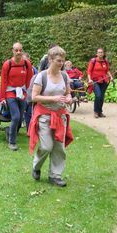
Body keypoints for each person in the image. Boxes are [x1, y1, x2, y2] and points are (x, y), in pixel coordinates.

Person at [28, 46, 73, 187]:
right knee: (47, 146)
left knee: (59, 148)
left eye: (62, 61)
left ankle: (55, 176)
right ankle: (36, 166)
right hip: (44, 116)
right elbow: (34, 97)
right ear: (50, 59)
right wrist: (53, 99)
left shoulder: (64, 76)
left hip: (60, 116)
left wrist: (69, 98)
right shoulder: (41, 77)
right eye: (58, 61)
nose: (61, 64)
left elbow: (68, 93)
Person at [0, 42, 34, 151]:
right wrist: (2, 98)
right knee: (15, 117)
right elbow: (4, 82)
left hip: (22, 93)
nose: (18, 52)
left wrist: (30, 95)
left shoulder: (27, 64)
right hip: (10, 93)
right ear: (13, 51)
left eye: (20, 50)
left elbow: (29, 80)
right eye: (16, 50)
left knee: (20, 118)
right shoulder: (7, 64)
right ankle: (12, 142)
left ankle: (9, 131)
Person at [87, 48, 113, 118]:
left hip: (104, 81)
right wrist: (89, 79)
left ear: (103, 53)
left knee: (102, 97)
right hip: (95, 81)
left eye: (101, 52)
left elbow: (107, 70)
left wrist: (111, 77)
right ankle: (96, 111)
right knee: (98, 95)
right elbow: (89, 71)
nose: (100, 54)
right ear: (96, 54)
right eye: (99, 52)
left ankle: (100, 112)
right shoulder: (93, 61)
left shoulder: (105, 61)